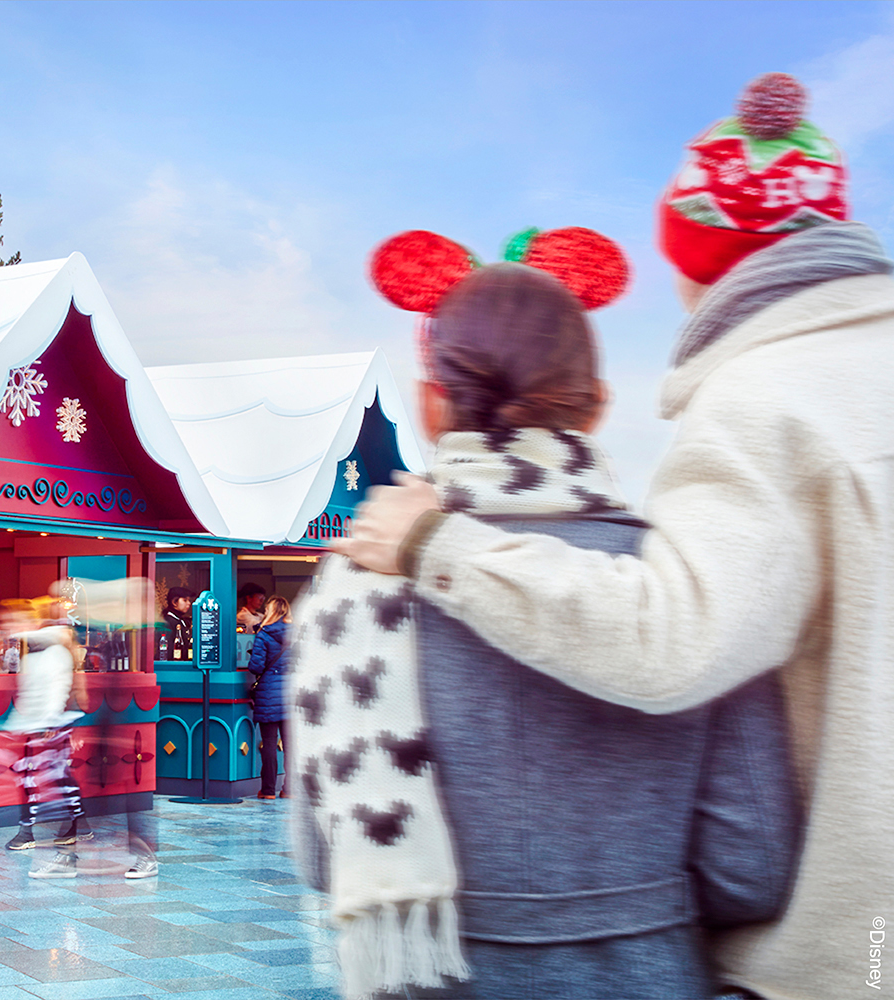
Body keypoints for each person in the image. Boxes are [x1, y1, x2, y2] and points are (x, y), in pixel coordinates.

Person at [337, 74, 890, 1000]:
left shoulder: (766, 400)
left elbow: (676, 641)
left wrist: (438, 547)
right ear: (592, 398)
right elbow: (745, 853)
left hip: (853, 950)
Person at [294, 238, 800, 999]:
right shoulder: (683, 581)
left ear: (434, 404)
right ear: (594, 404)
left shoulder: (352, 587)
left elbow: (321, 857)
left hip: (430, 974)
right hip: (645, 974)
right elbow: (752, 866)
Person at [0, 597, 86, 877]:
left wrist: (50, 718)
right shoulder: (33, 650)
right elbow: (29, 692)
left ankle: (68, 824)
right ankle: (56, 826)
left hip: (51, 723)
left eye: (13, 620)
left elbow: (57, 685)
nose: (8, 626)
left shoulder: (51, 647)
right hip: (35, 724)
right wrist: (18, 722)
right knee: (31, 775)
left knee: (53, 775)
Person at [245, 595, 292, 800]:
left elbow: (256, 666)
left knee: (270, 743)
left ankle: (268, 790)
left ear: (270, 611)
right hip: (291, 693)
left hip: (269, 693)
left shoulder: (264, 634)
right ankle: (289, 789)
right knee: (291, 744)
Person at [161, 586, 194, 661]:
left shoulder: (181, 620)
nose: (189, 603)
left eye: (189, 600)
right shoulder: (169, 621)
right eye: (185, 600)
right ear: (174, 602)